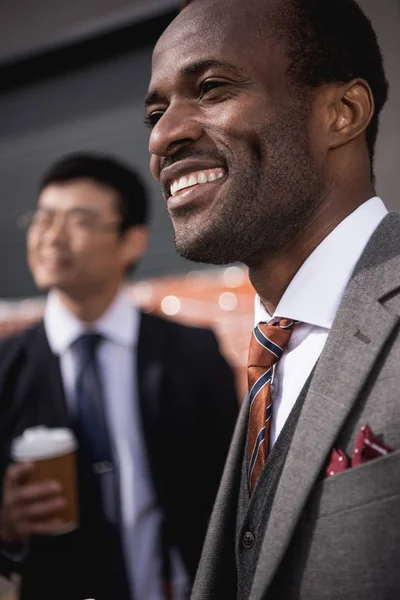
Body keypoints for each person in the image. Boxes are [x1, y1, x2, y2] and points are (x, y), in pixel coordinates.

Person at [145, 0, 400, 598]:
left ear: (343, 112)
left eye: (210, 87)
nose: (163, 134)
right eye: (156, 111)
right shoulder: (271, 355)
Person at [0, 153, 239, 600]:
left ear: (132, 242)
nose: (51, 236)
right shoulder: (6, 369)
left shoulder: (192, 353)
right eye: (43, 218)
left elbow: (231, 490)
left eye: (79, 221)